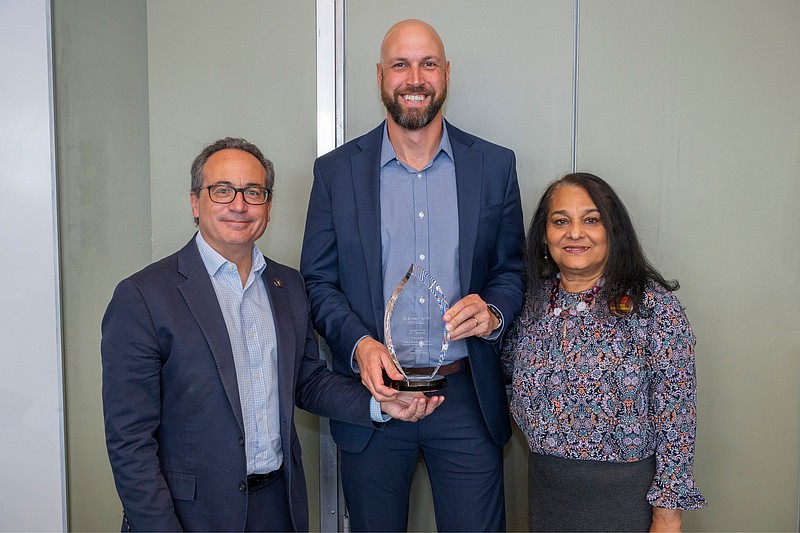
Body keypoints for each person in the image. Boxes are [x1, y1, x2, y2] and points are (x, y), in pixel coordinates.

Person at [101, 137, 442, 532]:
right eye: (222, 190)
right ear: (195, 202)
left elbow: (308, 382)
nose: (239, 204)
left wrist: (381, 403)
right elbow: (130, 442)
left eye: (254, 192)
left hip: (278, 507)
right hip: (189, 517)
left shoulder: (289, 286)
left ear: (268, 206)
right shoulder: (143, 297)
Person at [300, 19, 526, 532]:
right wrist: (359, 344)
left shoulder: (493, 166)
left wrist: (491, 312)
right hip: (375, 398)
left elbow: (512, 270)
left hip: (466, 397)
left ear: (446, 74)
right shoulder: (335, 173)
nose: (415, 77)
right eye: (401, 64)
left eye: (427, 64)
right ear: (380, 76)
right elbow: (318, 282)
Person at [501, 172, 707, 532]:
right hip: (548, 497)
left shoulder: (653, 307)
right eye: (560, 221)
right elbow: (503, 374)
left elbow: (677, 419)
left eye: (591, 220)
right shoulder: (529, 304)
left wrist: (668, 515)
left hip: (625, 501)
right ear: (544, 236)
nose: (575, 233)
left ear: (613, 230)